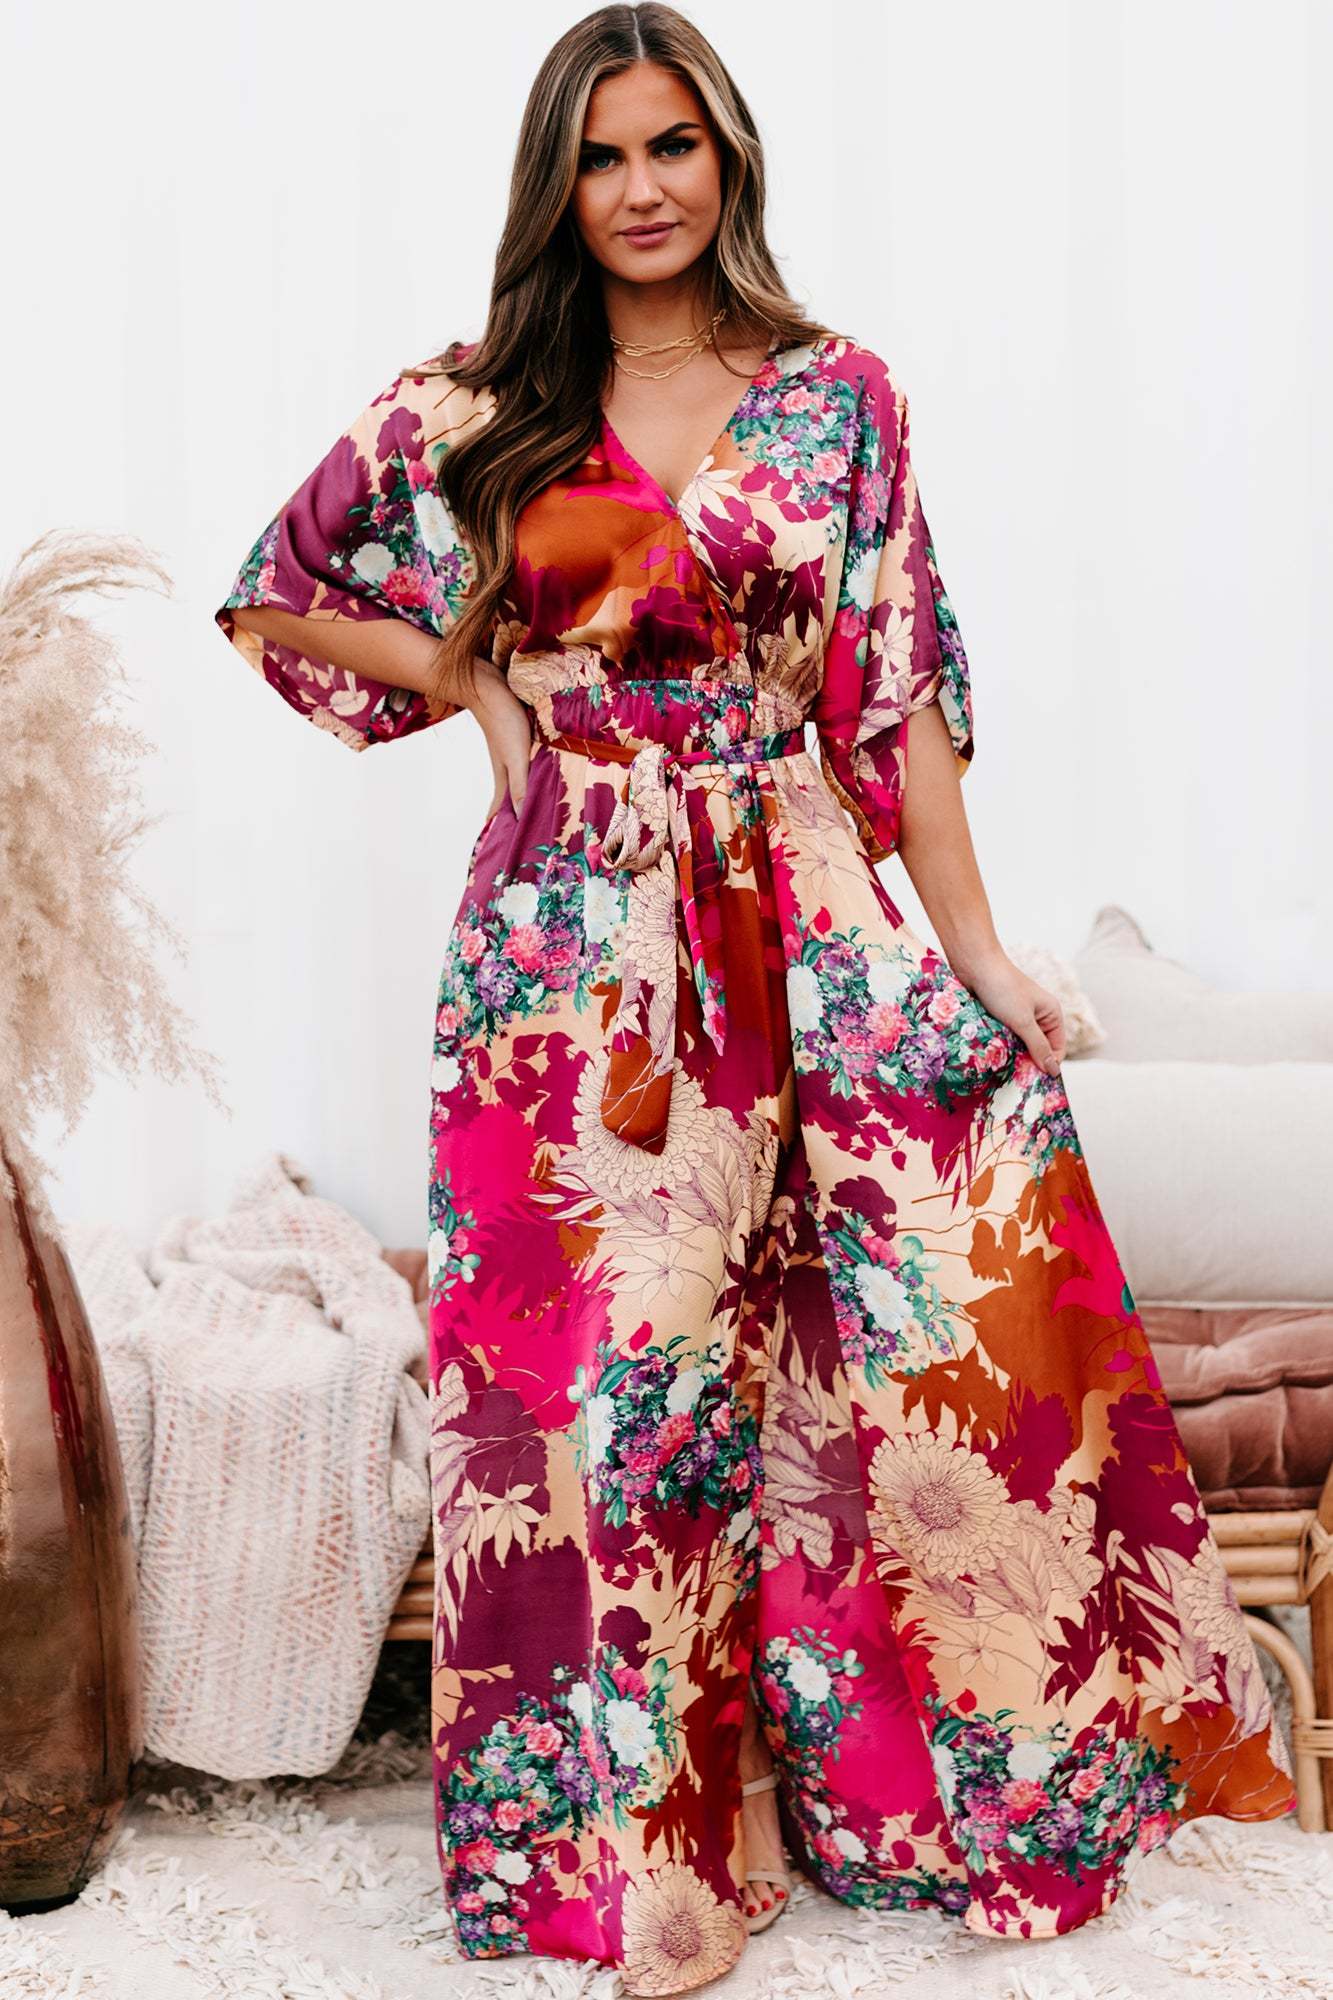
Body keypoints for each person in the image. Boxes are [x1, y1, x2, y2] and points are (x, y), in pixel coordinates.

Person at [214, 6, 1297, 1994]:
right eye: (600, 155)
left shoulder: (834, 401)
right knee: (617, 1392)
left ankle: (890, 1787)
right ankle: (647, 1853)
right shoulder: (477, 405)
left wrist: (979, 955)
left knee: (882, 1341)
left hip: (805, 910)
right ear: (554, 184)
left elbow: (897, 694)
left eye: (672, 145)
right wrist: (471, 675)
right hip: (570, 951)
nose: (640, 188)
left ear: (727, 159)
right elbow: (274, 592)